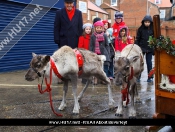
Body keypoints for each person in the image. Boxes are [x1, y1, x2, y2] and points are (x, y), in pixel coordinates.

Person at [135, 15, 154, 82]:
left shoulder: (153, 29)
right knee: (140, 63)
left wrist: (154, 49)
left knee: (149, 63)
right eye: (145, 22)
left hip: (150, 48)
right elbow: (138, 39)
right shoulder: (140, 29)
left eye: (148, 22)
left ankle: (150, 77)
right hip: (141, 48)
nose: (147, 23)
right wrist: (136, 47)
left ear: (151, 22)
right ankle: (138, 76)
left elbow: (155, 39)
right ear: (143, 22)